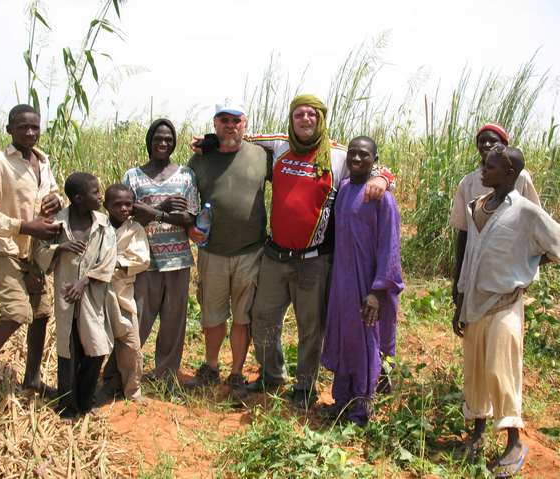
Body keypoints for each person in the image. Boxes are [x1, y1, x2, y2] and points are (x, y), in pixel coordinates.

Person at [246, 94, 394, 408]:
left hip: (314, 260)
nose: (305, 120)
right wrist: (209, 144)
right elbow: (240, 136)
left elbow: (373, 167)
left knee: (311, 327)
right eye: (299, 114)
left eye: (312, 115)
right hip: (275, 256)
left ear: (321, 119)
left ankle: (304, 386)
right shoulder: (279, 146)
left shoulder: (338, 155)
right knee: (262, 318)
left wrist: (383, 177)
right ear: (291, 117)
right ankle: (272, 374)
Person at [452, 145, 560, 477]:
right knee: (476, 371)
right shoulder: (479, 206)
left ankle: (514, 443)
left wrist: (525, 262)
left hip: (504, 303)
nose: (483, 170)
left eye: (491, 166)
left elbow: (555, 244)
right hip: (474, 302)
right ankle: (478, 433)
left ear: (509, 173)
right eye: (485, 165)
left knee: (501, 372)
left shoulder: (526, 211)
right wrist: (459, 301)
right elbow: (470, 253)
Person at [0, 104, 62, 412]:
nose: (30, 132)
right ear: (9, 130)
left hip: (35, 250)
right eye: (22, 127)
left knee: (41, 314)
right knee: (18, 312)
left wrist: (55, 201)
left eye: (35, 127)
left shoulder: (42, 161)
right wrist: (21, 225)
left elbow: (52, 193)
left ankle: (31, 379)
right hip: (6, 247)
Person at [185, 99, 270, 402]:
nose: (230, 126)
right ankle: (210, 366)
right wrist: (189, 227)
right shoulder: (199, 161)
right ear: (215, 124)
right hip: (213, 251)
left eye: (236, 120)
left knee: (243, 316)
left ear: (245, 124)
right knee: (212, 313)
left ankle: (236, 372)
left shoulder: (262, 156)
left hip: (251, 251)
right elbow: (188, 202)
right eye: (224, 120)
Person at [319, 136, 403, 426]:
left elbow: (389, 248)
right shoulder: (343, 189)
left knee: (365, 344)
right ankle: (341, 402)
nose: (356, 160)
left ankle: (360, 410)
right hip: (342, 281)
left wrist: (377, 293)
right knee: (344, 340)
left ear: (374, 160)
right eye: (352, 154)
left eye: (363, 156)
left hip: (367, 285)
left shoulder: (382, 198)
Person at [123, 119, 199, 387]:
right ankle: (125, 374)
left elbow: (190, 217)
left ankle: (166, 376)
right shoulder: (132, 176)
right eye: (158, 139)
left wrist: (155, 212)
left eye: (168, 139)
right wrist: (166, 210)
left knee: (173, 322)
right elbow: (128, 217)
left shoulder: (186, 176)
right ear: (149, 142)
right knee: (138, 320)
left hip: (177, 260)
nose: (163, 144)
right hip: (144, 260)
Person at [34, 172, 116, 418]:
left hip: (92, 297)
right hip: (66, 298)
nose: (100, 195)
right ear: (79, 198)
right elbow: (40, 254)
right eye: (95, 192)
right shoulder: (57, 223)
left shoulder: (103, 223)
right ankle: (68, 406)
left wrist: (84, 281)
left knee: (96, 348)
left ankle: (85, 398)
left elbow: (108, 259)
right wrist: (61, 247)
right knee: (68, 351)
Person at [450, 123, 540, 301]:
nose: (486, 145)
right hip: (477, 265)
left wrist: (526, 267)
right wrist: (458, 279)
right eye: (482, 141)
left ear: (504, 146)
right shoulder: (468, 183)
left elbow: (535, 225)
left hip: (509, 269)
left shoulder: (520, 177)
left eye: (493, 141)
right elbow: (464, 233)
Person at [99, 184, 150, 402]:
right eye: (117, 204)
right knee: (96, 342)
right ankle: (93, 386)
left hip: (122, 294)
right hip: (98, 293)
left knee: (130, 344)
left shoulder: (135, 229)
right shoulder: (98, 226)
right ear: (106, 206)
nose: (123, 209)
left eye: (128, 204)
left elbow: (142, 259)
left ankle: (133, 390)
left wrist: (114, 262)